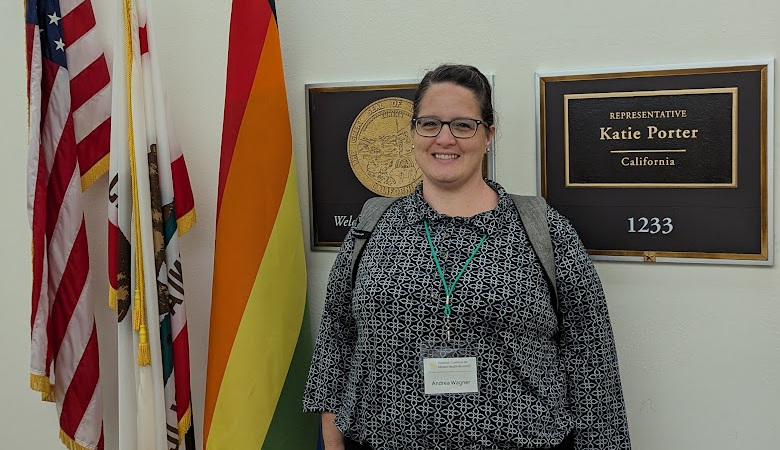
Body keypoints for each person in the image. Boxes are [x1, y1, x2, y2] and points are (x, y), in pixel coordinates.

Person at [303, 64, 631, 450]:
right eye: (430, 124)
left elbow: (591, 359)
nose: (445, 138)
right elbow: (336, 336)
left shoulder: (544, 231)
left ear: (488, 135)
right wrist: (331, 434)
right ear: (413, 133)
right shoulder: (373, 226)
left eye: (463, 125)